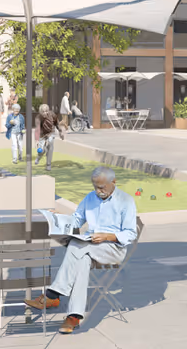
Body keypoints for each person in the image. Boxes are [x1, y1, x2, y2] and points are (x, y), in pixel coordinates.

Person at [24, 167, 138, 334]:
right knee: (81, 261)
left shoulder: (126, 201)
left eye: (102, 187)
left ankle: (52, 295)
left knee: (76, 245)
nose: (98, 191)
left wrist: (107, 236)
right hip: (89, 247)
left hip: (113, 249)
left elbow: (130, 234)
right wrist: (58, 216)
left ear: (113, 182)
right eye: (95, 187)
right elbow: (76, 220)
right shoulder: (90, 198)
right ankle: (74, 317)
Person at [35, 103, 67, 171]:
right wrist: (37, 140)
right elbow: (38, 129)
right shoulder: (38, 118)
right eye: (43, 112)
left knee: (50, 144)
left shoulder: (52, 115)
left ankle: (48, 164)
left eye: (46, 111)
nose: (45, 113)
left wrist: (60, 132)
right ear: (40, 112)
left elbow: (57, 124)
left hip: (50, 133)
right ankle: (38, 157)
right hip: (42, 135)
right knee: (42, 151)